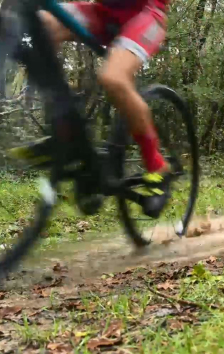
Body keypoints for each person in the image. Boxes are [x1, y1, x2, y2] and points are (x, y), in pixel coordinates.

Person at [9, 0, 171, 219]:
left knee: (114, 79)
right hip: (102, 13)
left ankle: (158, 167)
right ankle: (64, 128)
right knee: (39, 25)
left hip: (145, 15)